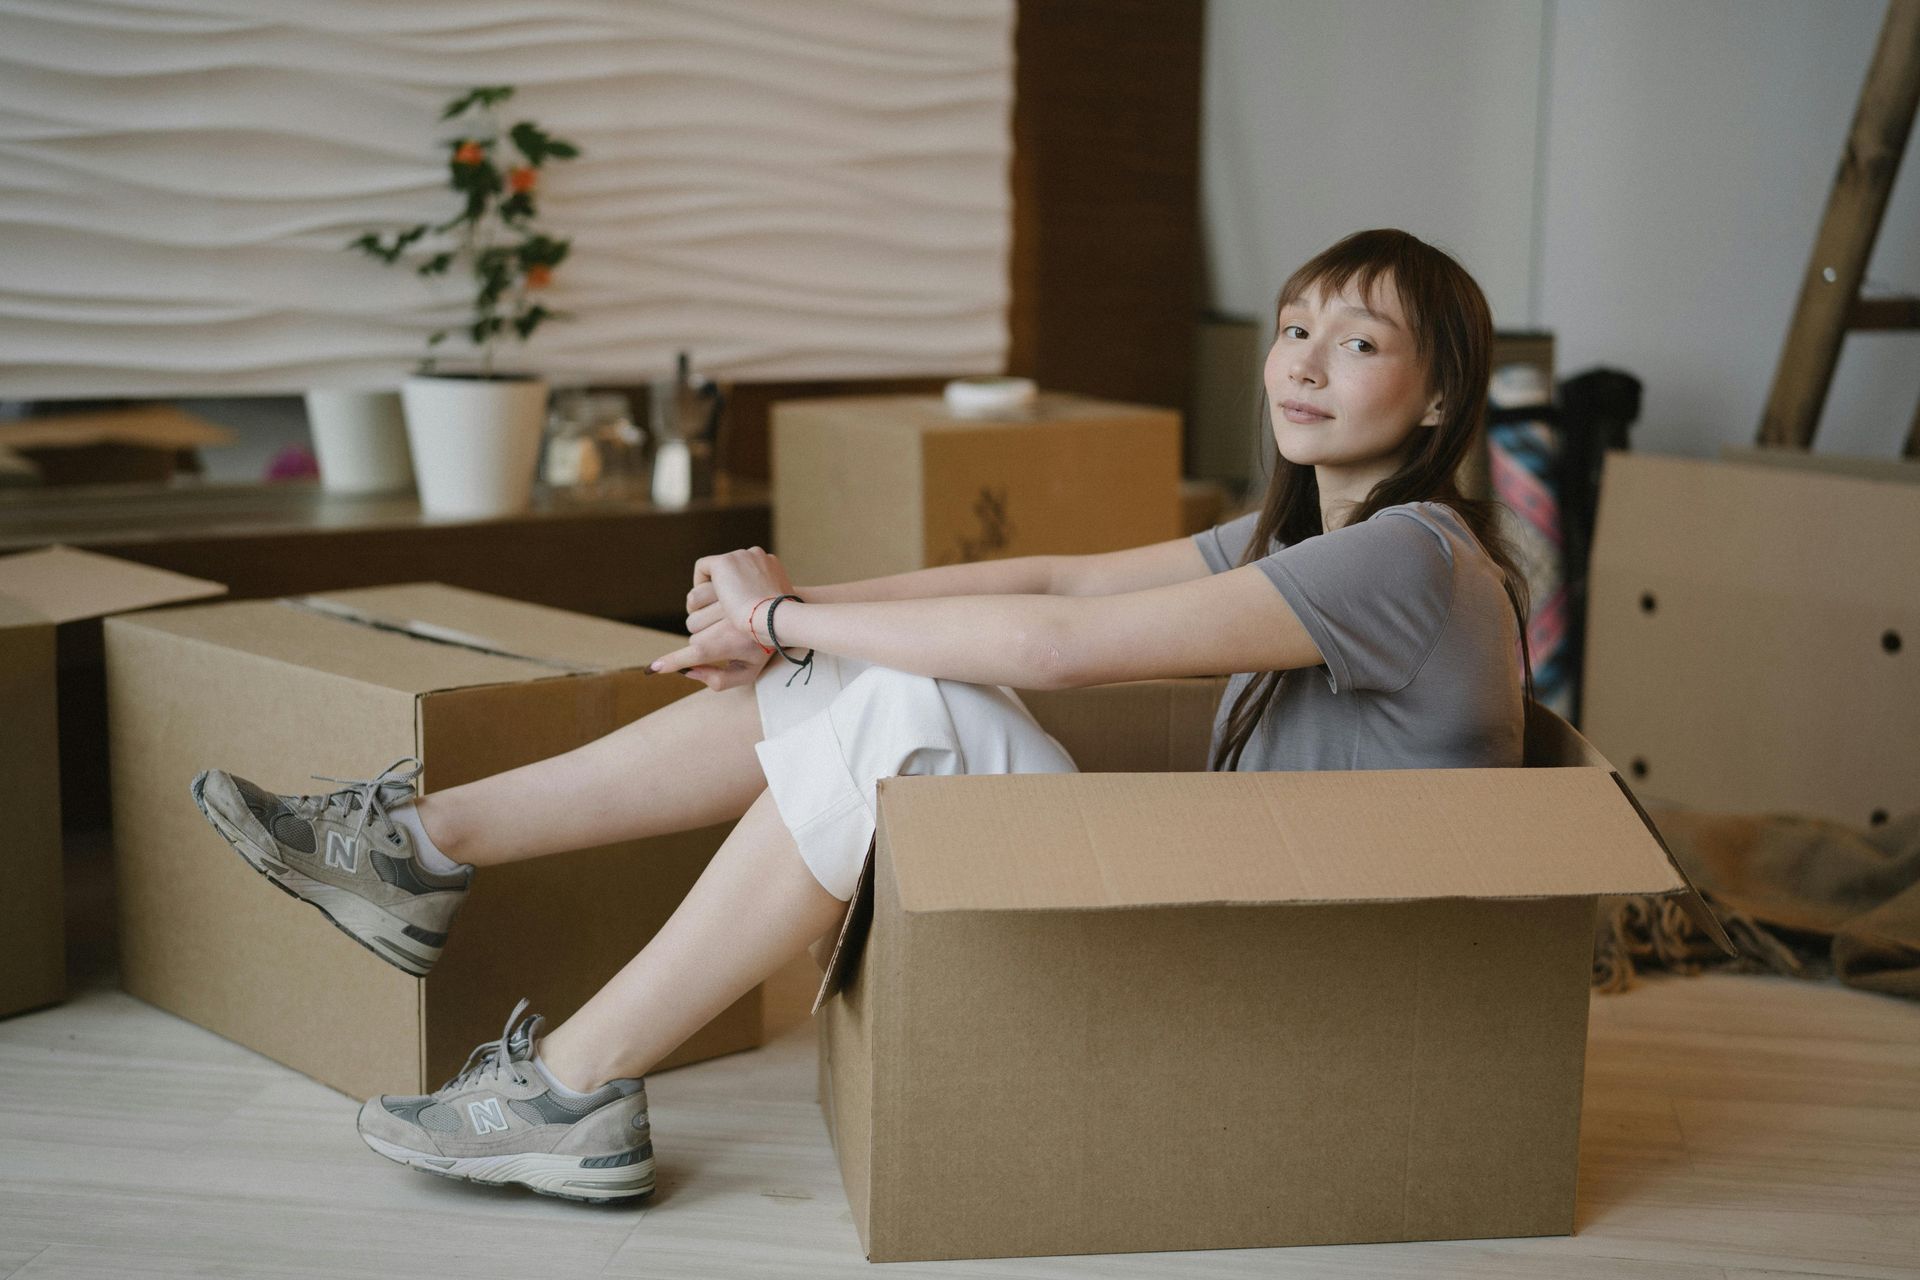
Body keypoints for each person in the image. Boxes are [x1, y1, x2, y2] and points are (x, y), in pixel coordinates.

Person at [188, 227, 1534, 1204]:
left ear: (1436, 397)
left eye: (1359, 343)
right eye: (1295, 326)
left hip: (1302, 997)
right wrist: (795, 613)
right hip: (1229, 925)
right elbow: (1049, 575)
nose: (1306, 361)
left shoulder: (1406, 559)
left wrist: (783, 622)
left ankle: (555, 1068)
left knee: (888, 702)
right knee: (852, 683)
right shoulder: (1302, 542)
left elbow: (1053, 647)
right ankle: (422, 855)